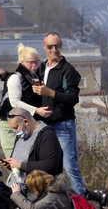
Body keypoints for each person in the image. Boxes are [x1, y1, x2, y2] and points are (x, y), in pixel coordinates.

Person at [32, 32, 85, 194]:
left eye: (57, 46)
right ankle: (50, 204)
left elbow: (73, 98)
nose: (54, 50)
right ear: (44, 47)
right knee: (46, 167)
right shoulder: (41, 68)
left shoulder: (68, 71)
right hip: (44, 126)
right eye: (50, 47)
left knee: (69, 167)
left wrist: (51, 93)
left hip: (63, 125)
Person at [0, 44, 47, 158]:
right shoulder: (15, 78)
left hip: (25, 123)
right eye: (30, 62)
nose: (34, 65)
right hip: (8, 123)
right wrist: (36, 110)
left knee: (28, 158)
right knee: (14, 159)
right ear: (22, 62)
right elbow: (15, 103)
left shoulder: (35, 76)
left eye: (36, 62)